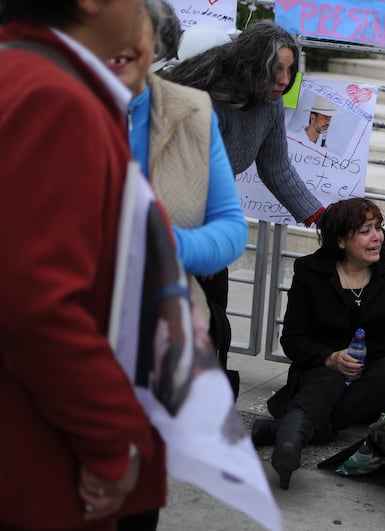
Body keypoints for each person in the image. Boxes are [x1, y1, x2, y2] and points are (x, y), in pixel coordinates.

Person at [0, 1, 166, 530]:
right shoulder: (54, 98)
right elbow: (36, 303)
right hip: (36, 454)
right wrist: (110, 439)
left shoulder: (24, 75)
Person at [162, 20, 326, 393]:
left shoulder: (267, 104)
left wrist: (321, 218)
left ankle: (203, 402)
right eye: (276, 69)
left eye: (289, 69)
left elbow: (276, 166)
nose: (284, 79)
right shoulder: (201, 99)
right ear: (251, 65)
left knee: (212, 317)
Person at [107, 0, 248, 399]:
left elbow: (231, 228)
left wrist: (169, 244)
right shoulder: (46, 105)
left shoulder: (192, 114)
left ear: (159, 48)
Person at [250, 198, 385, 490]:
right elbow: (292, 340)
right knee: (328, 378)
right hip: (322, 372)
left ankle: (288, 431)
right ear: (340, 240)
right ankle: (289, 445)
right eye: (365, 230)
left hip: (374, 378)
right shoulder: (311, 272)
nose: (377, 236)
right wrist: (330, 358)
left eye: (378, 228)